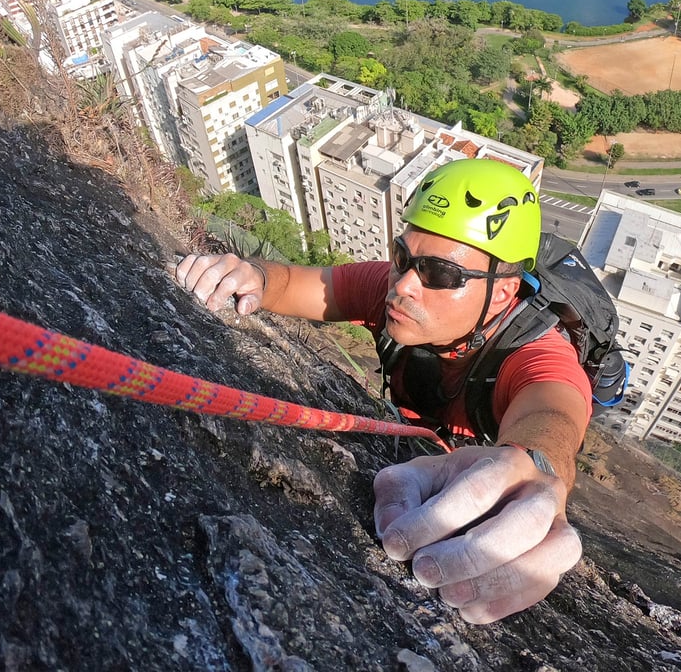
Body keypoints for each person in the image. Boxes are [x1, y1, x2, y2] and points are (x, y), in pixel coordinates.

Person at [175, 158, 591, 624]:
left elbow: (554, 416)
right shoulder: (390, 288)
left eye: (441, 275)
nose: (404, 285)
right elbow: (298, 284)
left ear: (501, 293)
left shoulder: (538, 356)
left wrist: (533, 469)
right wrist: (254, 275)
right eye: (402, 258)